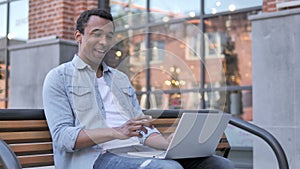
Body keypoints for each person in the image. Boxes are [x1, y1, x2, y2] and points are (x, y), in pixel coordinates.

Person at [43, 8, 234, 169]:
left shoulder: (120, 79)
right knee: (169, 168)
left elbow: (141, 127)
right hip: (96, 157)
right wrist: (115, 132)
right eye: (97, 34)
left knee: (219, 165)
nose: (104, 42)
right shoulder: (59, 77)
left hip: (136, 151)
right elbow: (62, 138)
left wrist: (167, 144)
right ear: (79, 36)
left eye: (109, 36)